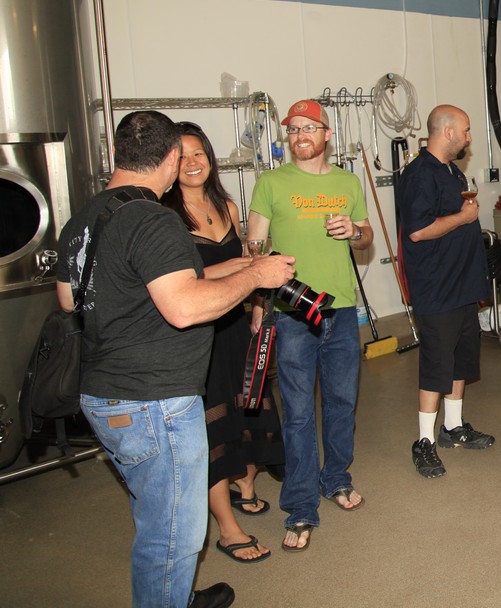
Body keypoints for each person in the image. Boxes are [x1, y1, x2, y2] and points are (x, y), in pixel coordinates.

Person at [57, 110, 294, 608]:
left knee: (155, 515)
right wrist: (256, 277)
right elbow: (185, 308)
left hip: (102, 395)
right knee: (174, 537)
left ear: (117, 154)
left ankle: (174, 595)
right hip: (154, 400)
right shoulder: (153, 218)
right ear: (170, 156)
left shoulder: (85, 217)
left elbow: (68, 298)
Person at [247, 99, 374, 552]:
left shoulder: (347, 181)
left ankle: (336, 477)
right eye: (293, 129)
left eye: (308, 128)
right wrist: (258, 302)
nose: (300, 135)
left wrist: (354, 232)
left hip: (340, 310)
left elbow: (366, 237)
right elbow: (253, 249)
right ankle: (300, 504)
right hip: (293, 313)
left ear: (326, 135)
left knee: (342, 402)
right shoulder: (270, 182)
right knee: (298, 413)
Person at [162, 121, 285, 564]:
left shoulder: (227, 205)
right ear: (169, 163)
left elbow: (251, 265)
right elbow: (183, 280)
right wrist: (238, 267)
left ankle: (245, 482)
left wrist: (259, 305)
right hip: (196, 335)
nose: (192, 163)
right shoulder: (166, 216)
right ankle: (228, 529)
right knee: (211, 428)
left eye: (199, 153)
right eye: (182, 156)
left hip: (235, 326)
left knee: (247, 407)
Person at [395, 104, 494, 479]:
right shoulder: (419, 174)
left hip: (462, 285)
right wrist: (463, 218)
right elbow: (418, 231)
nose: (469, 137)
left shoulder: (453, 171)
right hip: (436, 288)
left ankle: (453, 428)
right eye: (465, 130)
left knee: (460, 361)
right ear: (448, 132)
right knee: (437, 365)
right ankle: (424, 441)